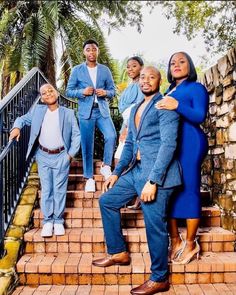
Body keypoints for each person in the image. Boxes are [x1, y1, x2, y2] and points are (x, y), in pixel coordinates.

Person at [92, 66, 182, 295]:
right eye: (143, 77)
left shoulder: (165, 105)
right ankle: (118, 252)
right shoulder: (135, 110)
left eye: (152, 77)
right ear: (138, 81)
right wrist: (116, 172)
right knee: (107, 201)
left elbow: (169, 145)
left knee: (155, 227)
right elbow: (130, 144)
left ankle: (160, 278)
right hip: (136, 170)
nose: (146, 81)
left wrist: (153, 181)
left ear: (159, 82)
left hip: (157, 175)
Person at [155, 52, 209, 265]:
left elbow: (199, 116)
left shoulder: (196, 88)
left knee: (189, 189)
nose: (176, 65)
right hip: (171, 146)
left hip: (191, 143)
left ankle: (191, 243)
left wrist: (176, 105)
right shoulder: (169, 90)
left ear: (190, 65)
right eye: (172, 63)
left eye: (182, 61)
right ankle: (175, 240)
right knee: (169, 190)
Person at [9, 84, 81, 238]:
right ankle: (48, 221)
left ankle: (58, 221)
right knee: (47, 189)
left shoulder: (68, 113)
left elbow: (76, 135)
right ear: (41, 98)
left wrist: (69, 155)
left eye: (51, 90)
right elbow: (22, 119)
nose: (48, 93)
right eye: (44, 92)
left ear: (57, 93)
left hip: (61, 155)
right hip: (42, 155)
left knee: (59, 189)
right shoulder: (37, 111)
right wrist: (16, 128)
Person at [66, 39, 117, 192]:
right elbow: (68, 91)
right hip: (85, 112)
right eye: (88, 49)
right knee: (87, 145)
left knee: (111, 136)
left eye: (94, 49)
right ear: (84, 52)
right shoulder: (77, 70)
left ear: (98, 51)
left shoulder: (105, 70)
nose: (91, 52)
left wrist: (106, 93)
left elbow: (113, 91)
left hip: (102, 110)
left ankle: (106, 166)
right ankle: (88, 178)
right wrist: (82, 92)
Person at [114, 56, 144, 164]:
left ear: (141, 68)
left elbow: (139, 108)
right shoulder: (130, 86)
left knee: (120, 159)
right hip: (127, 124)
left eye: (134, 66)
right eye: (128, 67)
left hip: (135, 125)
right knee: (120, 159)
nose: (130, 69)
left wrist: (127, 128)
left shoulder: (142, 85)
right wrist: (123, 129)